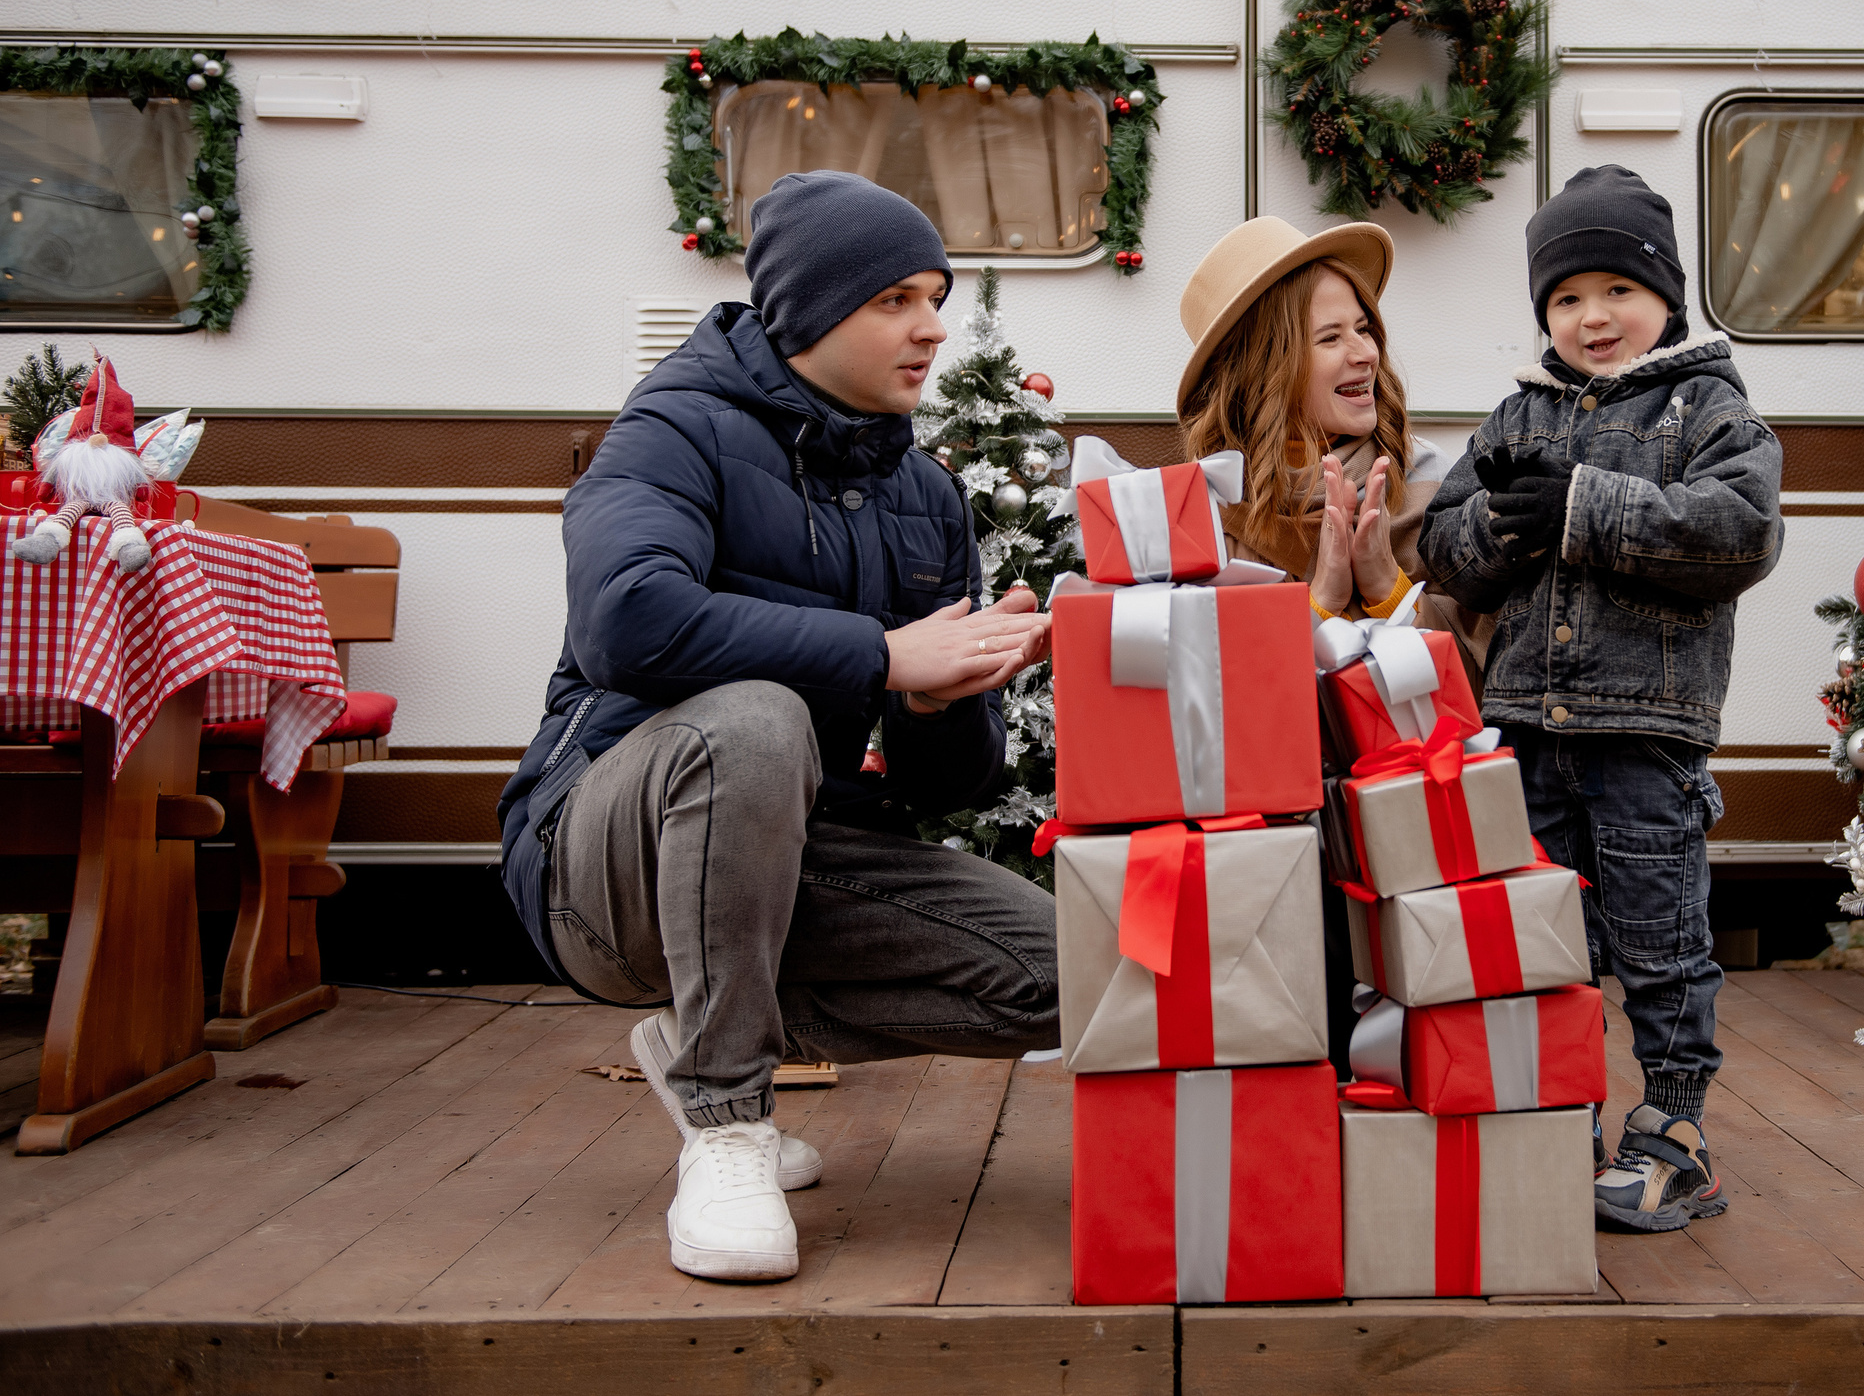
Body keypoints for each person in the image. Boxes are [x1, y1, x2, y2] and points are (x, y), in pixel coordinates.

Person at [495, 171, 1060, 1283]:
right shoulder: (671, 429)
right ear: (806, 313)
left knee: (1076, 973)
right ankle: (726, 1125)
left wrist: (941, 697)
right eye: (895, 297)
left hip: (792, 860)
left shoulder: (927, 495)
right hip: (601, 859)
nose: (933, 325)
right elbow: (625, 619)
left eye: (934, 295)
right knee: (754, 720)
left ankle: (713, 1026)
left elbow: (943, 791)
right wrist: (882, 654)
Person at [1417, 165, 1785, 1233]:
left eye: (1616, 290)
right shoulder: (1517, 412)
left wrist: (1581, 503)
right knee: (1545, 937)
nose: (1594, 316)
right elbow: (1445, 546)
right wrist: (1497, 528)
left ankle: (1675, 1127)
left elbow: (1738, 532)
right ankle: (1560, 1110)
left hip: (1646, 736)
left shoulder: (1710, 408)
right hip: (1528, 730)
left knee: (1662, 940)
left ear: (1665, 295)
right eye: (1567, 296)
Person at [1173, 215, 1473, 643]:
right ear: (1262, 370)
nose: (1367, 352)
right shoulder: (1207, 517)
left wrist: (1388, 589)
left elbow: (1488, 675)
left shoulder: (1431, 476)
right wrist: (1321, 606)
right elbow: (1217, 691)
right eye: (1331, 338)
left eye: (1364, 328)